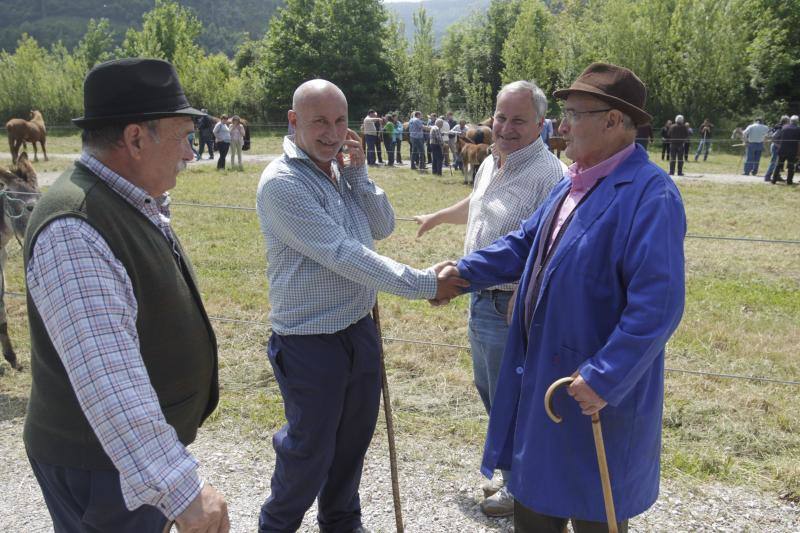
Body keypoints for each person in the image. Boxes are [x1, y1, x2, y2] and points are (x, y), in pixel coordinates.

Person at [447, 62, 685, 533]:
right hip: (544, 383)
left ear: (613, 121)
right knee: (535, 505)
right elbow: (523, 244)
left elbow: (657, 307)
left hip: (592, 396)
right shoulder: (573, 181)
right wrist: (461, 273)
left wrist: (604, 376)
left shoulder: (650, 195)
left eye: (575, 114)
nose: (562, 125)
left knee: (594, 509)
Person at [23, 58, 229, 533]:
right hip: (101, 467)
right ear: (136, 139)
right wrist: (181, 489)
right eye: (182, 137)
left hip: (117, 462)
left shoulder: (122, 198)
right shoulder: (75, 228)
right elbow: (108, 382)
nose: (190, 153)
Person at [255, 79, 468, 533]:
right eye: (320, 122)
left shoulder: (338, 171)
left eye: (340, 121)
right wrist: (424, 283)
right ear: (293, 121)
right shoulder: (282, 183)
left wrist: (358, 174)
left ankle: (342, 524)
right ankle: (276, 527)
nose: (333, 133)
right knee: (309, 452)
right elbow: (342, 254)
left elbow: (383, 225)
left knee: (352, 444)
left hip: (358, 328)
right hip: (309, 341)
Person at [414, 80, 566, 517]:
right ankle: (512, 473)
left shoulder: (550, 175)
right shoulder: (491, 161)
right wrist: (438, 217)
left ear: (540, 123)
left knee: (513, 399)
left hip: (510, 307)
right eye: (501, 117)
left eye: (519, 120)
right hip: (480, 299)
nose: (506, 127)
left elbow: (552, 244)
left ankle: (522, 489)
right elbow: (479, 203)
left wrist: (527, 294)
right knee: (492, 392)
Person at [771, 115, 800, 185]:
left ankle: (774, 180)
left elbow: (777, 138)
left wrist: (779, 146)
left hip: (782, 150)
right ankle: (789, 181)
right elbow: (799, 142)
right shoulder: (798, 129)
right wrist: (798, 153)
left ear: (790, 121)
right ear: (797, 121)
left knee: (778, 165)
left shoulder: (784, 127)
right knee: (791, 166)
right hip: (792, 151)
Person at [764, 115, 790, 182]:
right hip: (776, 147)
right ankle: (767, 177)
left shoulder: (781, 127)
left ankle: (777, 176)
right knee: (773, 162)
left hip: (777, 147)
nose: (789, 122)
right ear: (786, 121)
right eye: (788, 121)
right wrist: (778, 145)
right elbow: (773, 137)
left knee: (778, 163)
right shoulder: (780, 128)